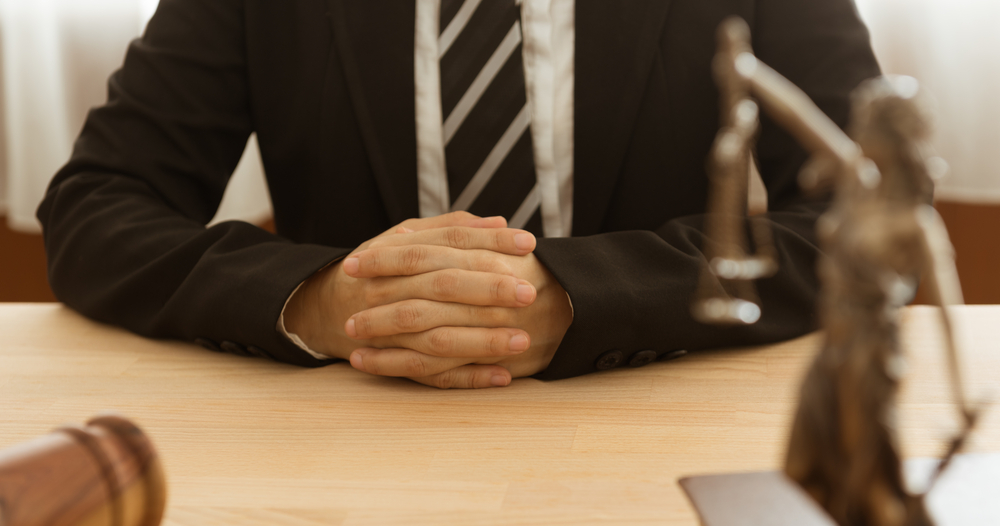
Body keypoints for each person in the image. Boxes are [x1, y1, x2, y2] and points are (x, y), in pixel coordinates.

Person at [38, 0, 880, 389]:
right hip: (352, 435)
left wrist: (586, 300)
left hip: (658, 411)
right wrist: (320, 300)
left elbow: (870, 218)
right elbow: (97, 205)